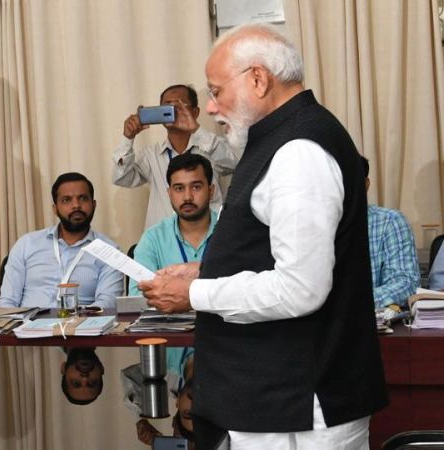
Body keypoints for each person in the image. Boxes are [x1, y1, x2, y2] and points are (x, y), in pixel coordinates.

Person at [139, 23, 387, 449]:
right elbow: (274, 252)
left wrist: (196, 292)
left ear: (258, 78)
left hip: (299, 407)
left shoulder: (298, 151)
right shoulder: (280, 136)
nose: (212, 107)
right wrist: (208, 268)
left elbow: (300, 288)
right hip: (273, 399)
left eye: (217, 91)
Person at [111, 84, 239, 229]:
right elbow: (121, 178)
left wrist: (196, 130)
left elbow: (233, 165)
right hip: (163, 245)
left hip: (209, 239)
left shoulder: (210, 146)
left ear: (195, 112)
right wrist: (128, 138)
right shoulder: (151, 155)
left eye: (179, 105)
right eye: (166, 106)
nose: (172, 110)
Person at [0, 172, 124, 309]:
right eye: (66, 200)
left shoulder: (110, 251)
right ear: (55, 209)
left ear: (94, 205)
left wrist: (76, 321)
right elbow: (7, 302)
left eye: (83, 198)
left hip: (82, 326)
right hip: (27, 326)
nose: (76, 205)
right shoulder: (27, 244)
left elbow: (107, 304)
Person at [129, 153, 218, 295]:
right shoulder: (153, 238)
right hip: (168, 317)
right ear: (169, 193)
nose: (187, 197)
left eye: (196, 187)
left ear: (211, 191)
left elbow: (243, 286)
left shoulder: (232, 232)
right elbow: (137, 295)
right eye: (179, 188)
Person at [362, 156, 420, 308]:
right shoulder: (309, 225)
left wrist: (351, 303)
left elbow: (406, 282)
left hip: (369, 324)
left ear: (366, 185)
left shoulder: (389, 222)